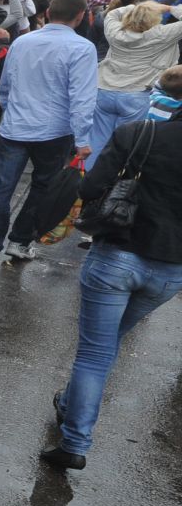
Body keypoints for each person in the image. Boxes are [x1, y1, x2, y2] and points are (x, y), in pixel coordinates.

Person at [43, 66, 182, 470]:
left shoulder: (140, 134)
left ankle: (75, 442)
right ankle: (68, 403)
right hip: (170, 269)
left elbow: (89, 189)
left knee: (95, 353)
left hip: (117, 255)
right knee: (106, 345)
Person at [0, 0, 99, 265]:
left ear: (47, 12)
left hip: (17, 126)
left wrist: (14, 110)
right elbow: (82, 96)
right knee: (42, 187)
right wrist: (83, 138)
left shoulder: (24, 41)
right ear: (80, 17)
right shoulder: (82, 48)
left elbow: (5, 85)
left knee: (1, 188)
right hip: (54, 130)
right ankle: (19, 241)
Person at [93, 0, 182, 154]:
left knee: (98, 139)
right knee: (125, 143)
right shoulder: (162, 34)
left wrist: (135, 8)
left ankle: (90, 175)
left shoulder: (115, 32)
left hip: (104, 89)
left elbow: (112, 14)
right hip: (137, 93)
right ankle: (117, 177)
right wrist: (169, 8)